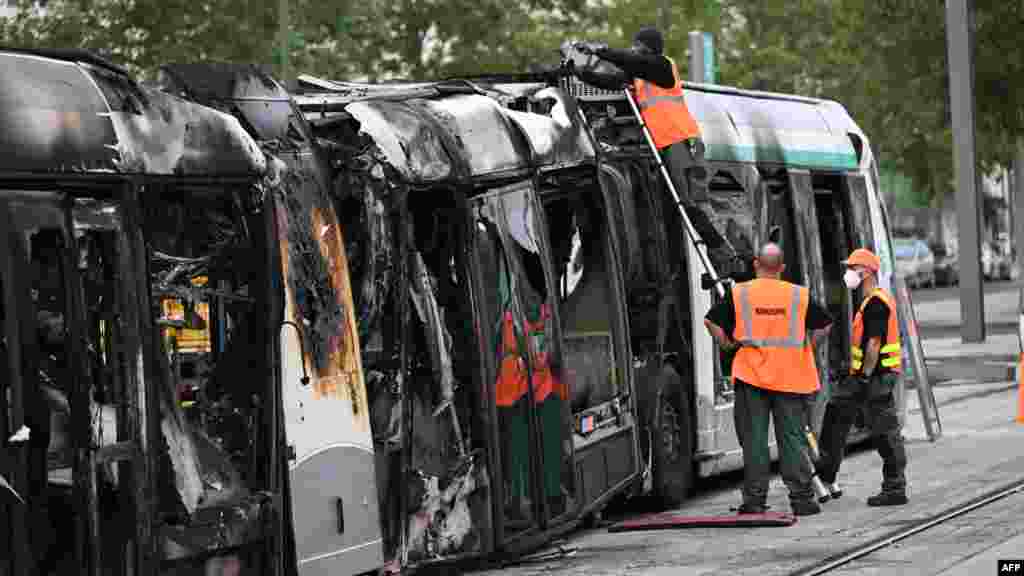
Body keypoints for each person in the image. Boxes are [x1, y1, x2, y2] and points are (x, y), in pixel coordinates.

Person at [704, 243, 833, 516]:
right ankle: (802, 499)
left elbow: (711, 321)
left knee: (754, 441)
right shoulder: (798, 295)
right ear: (782, 268)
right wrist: (807, 345)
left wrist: (728, 344)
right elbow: (825, 324)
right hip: (791, 378)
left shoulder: (740, 293)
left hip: (751, 378)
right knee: (793, 440)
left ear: (755, 265)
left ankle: (755, 501)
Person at [815, 248, 908, 506]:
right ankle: (826, 473)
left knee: (885, 432)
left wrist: (864, 376)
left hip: (876, 377)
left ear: (865, 272)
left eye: (851, 268)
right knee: (838, 414)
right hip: (869, 376)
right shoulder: (870, 301)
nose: (847, 273)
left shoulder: (877, 302)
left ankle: (894, 487)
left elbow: (874, 344)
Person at [574, 26, 705, 202]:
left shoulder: (662, 66)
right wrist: (580, 73)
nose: (633, 49)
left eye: (637, 45)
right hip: (663, 142)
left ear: (649, 47)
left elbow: (632, 61)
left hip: (681, 140)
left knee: (690, 199)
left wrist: (599, 51)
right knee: (673, 201)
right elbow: (612, 81)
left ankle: (702, 229)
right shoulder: (639, 74)